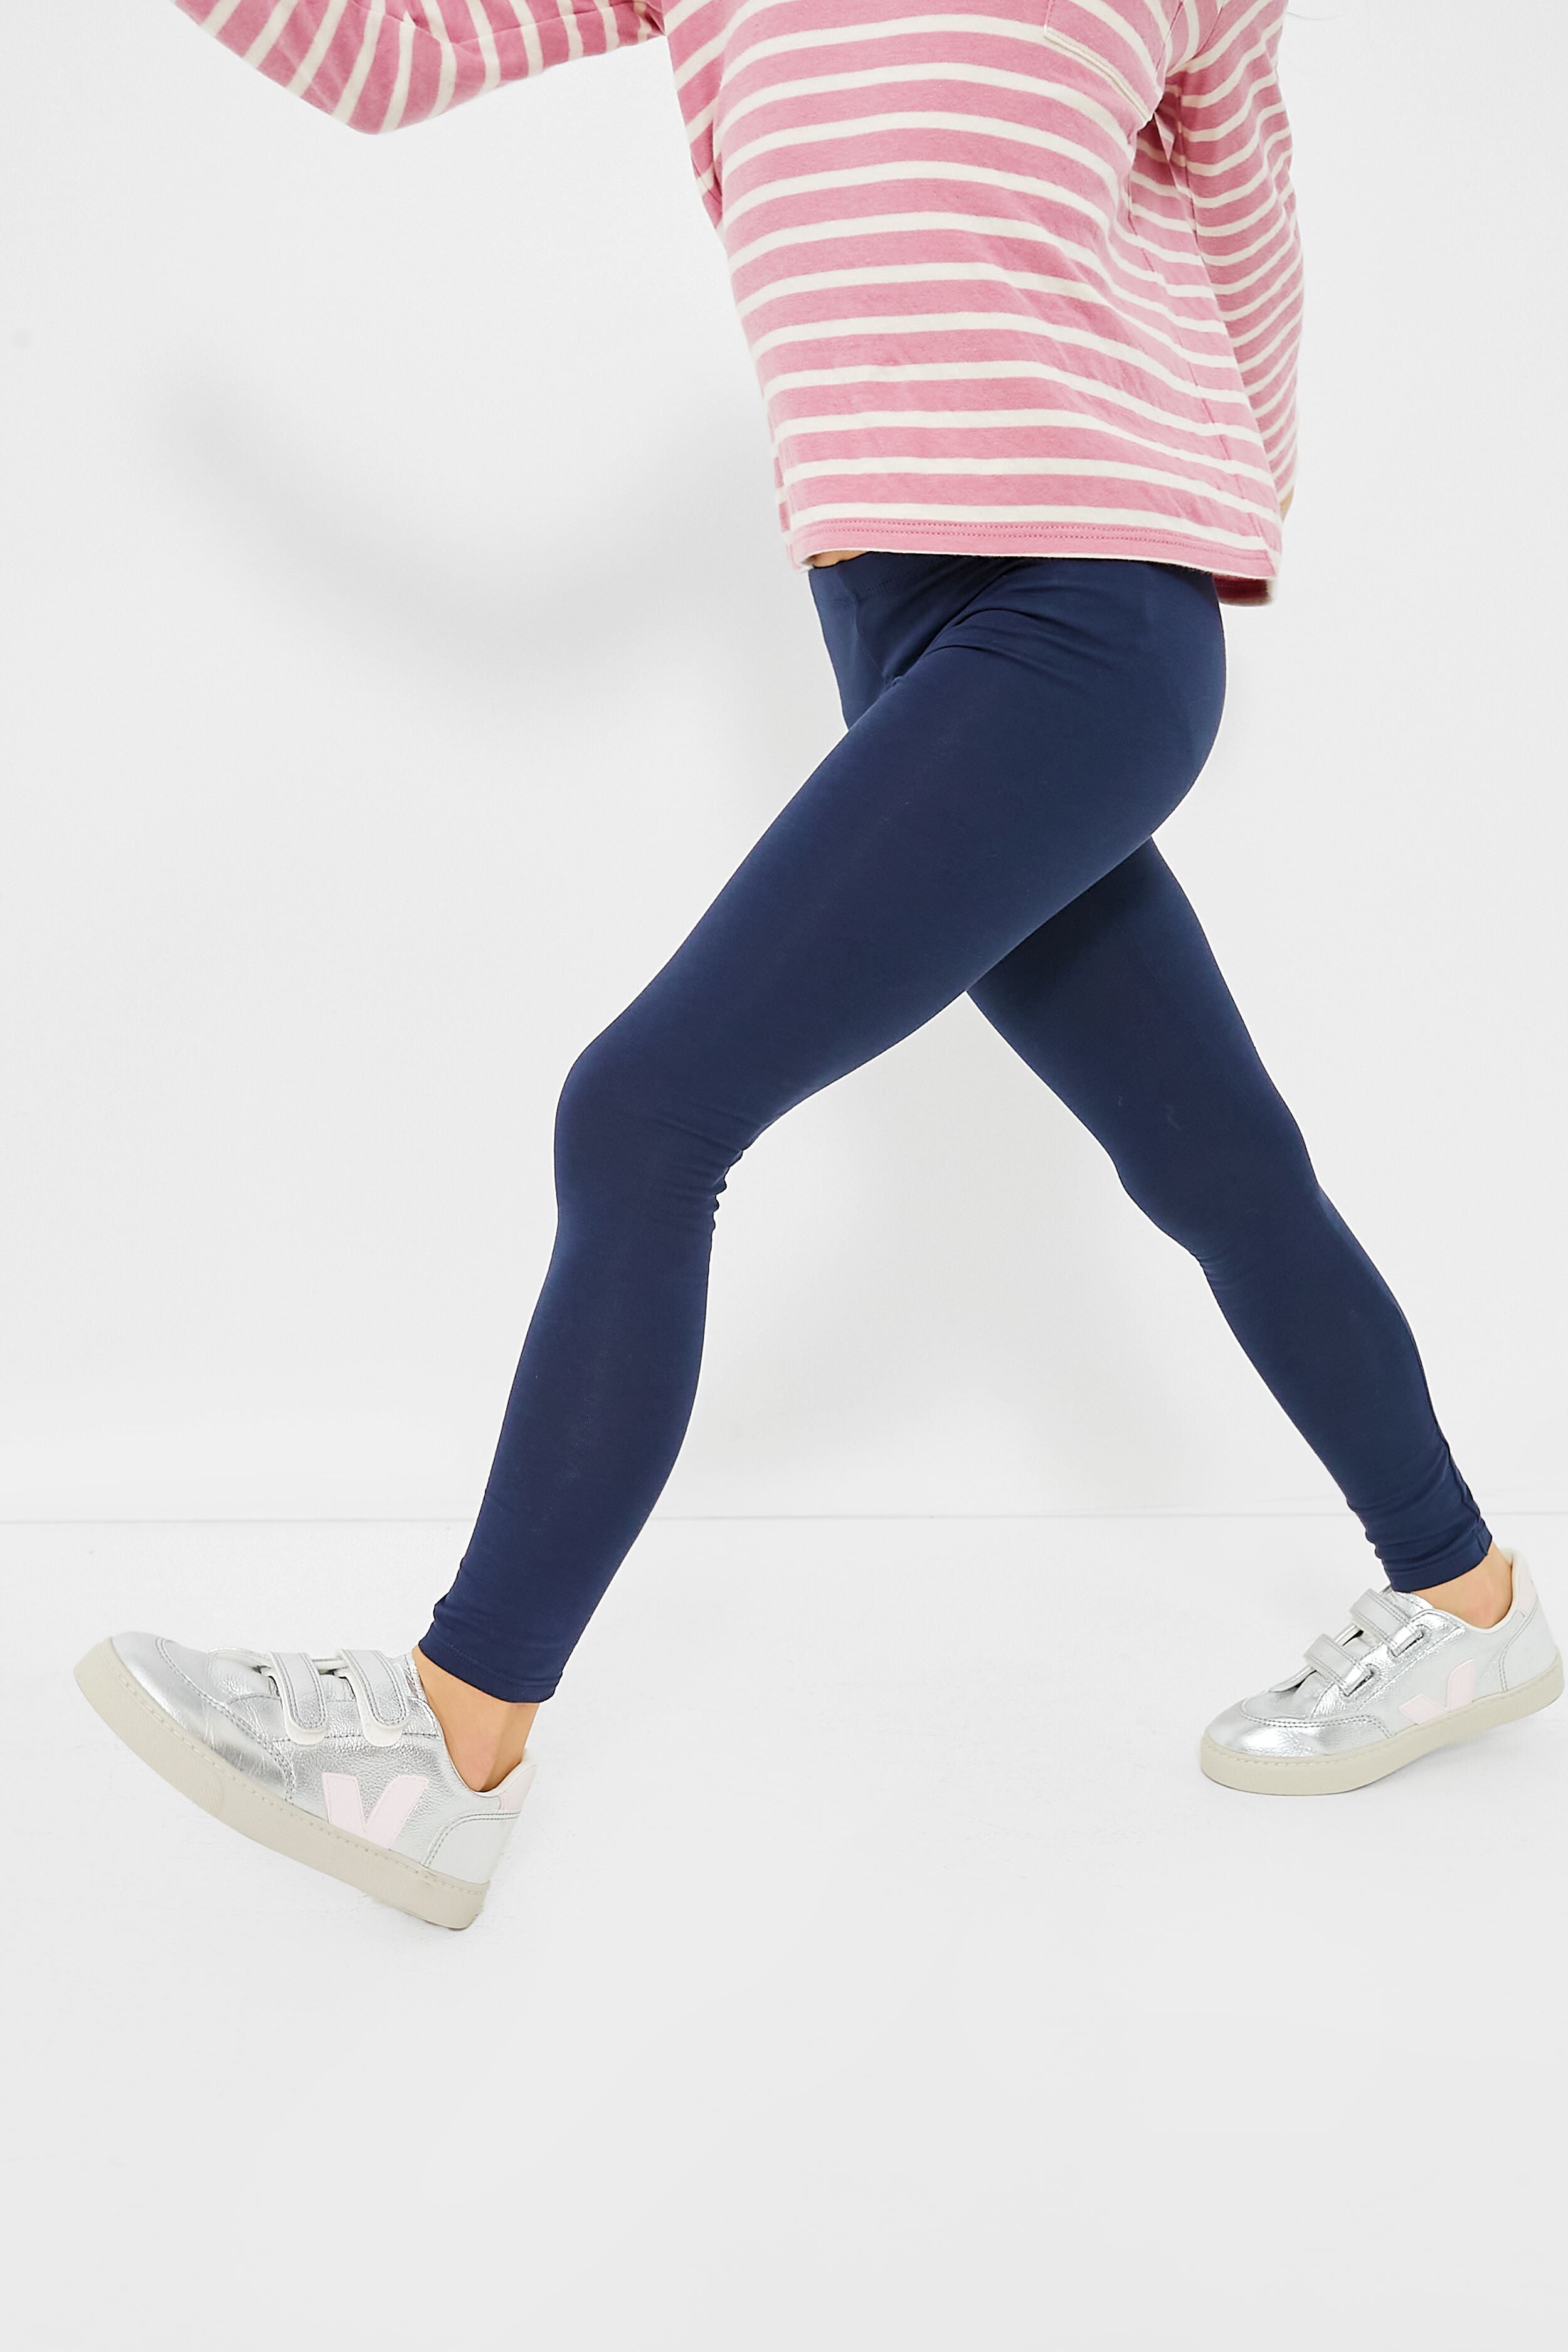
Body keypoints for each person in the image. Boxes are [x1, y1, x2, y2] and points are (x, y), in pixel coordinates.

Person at [75, 0, 1560, 1929]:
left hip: (1088, 614)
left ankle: (453, 1733)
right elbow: (381, 60)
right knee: (1212, 1156)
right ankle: (1465, 1599)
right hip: (902, 629)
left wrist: (1230, 510)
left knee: (643, 1112)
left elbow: (1245, 221)